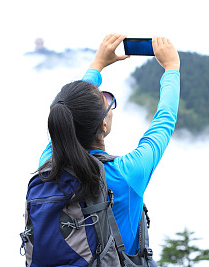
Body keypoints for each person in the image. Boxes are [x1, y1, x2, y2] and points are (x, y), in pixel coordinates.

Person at [38, 33, 180, 256]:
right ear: (103, 124)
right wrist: (172, 68)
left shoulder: (48, 164)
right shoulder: (127, 173)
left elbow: (67, 108)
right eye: (106, 101)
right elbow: (164, 121)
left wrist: (98, 64)